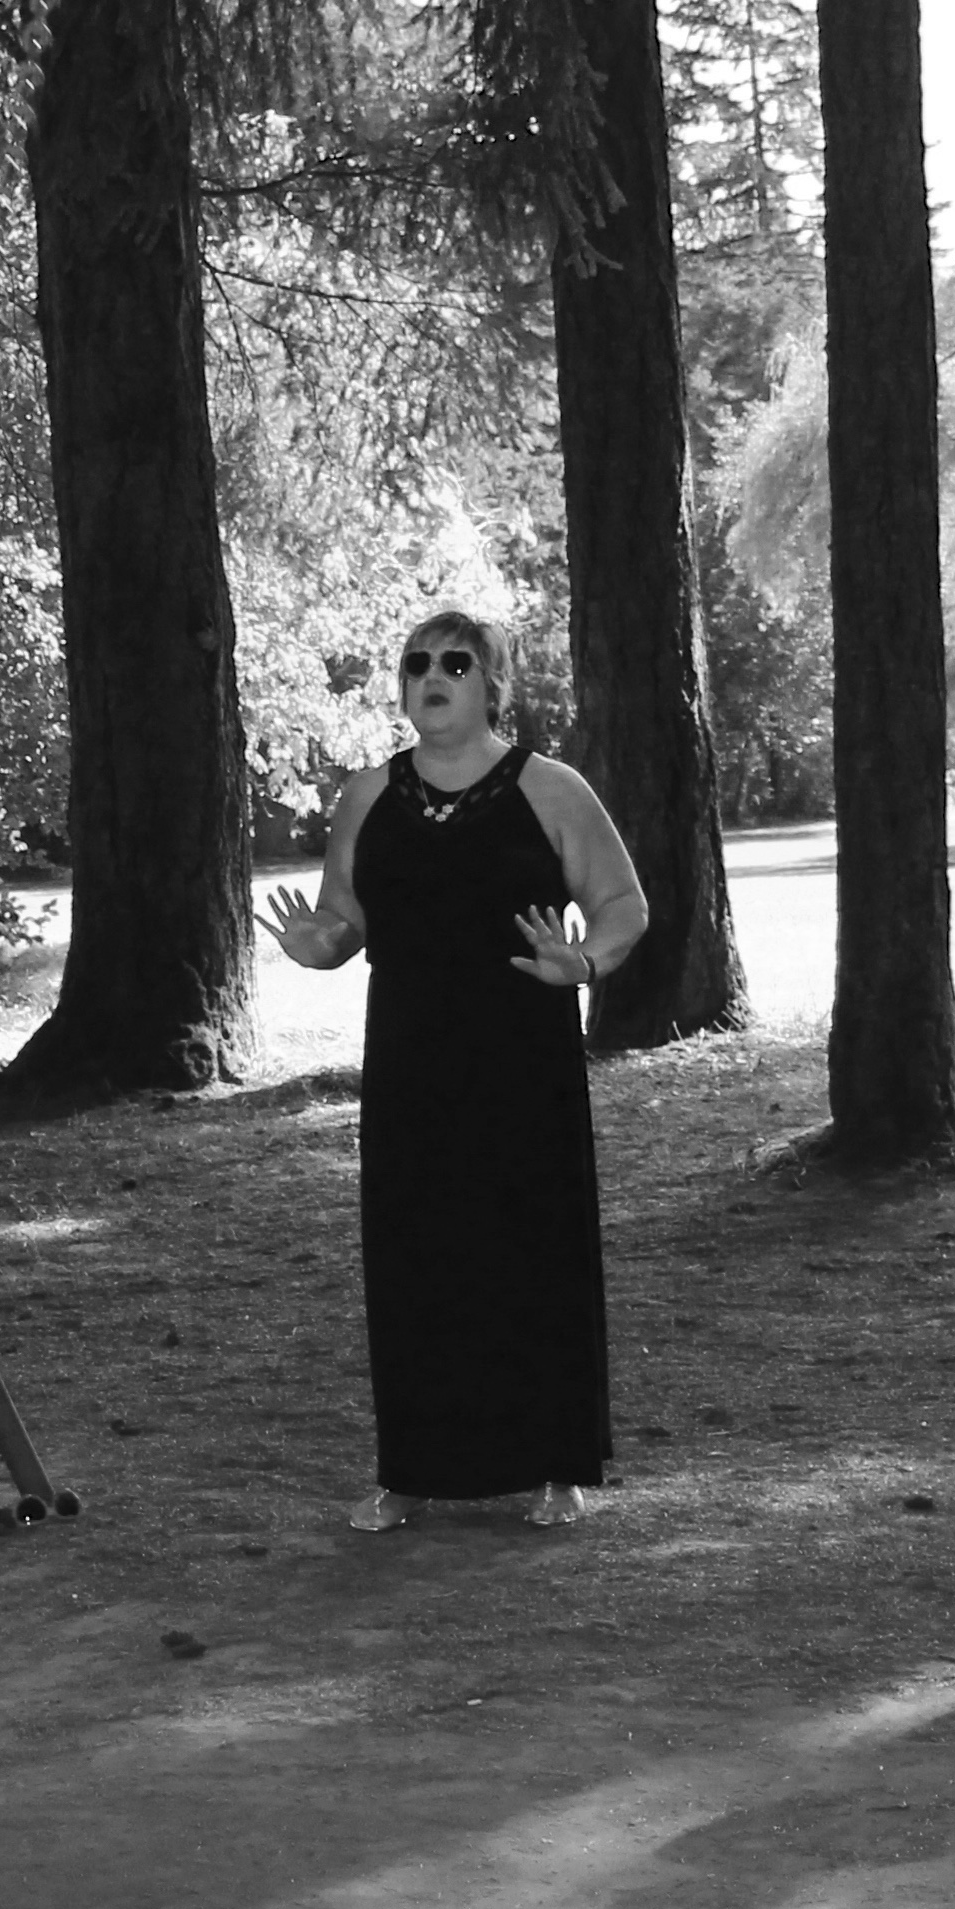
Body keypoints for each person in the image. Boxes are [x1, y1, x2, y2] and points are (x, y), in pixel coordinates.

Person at [260, 608, 647, 1533]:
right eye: (416, 663)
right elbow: (344, 919)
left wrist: (584, 963)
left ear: (492, 684)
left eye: (455, 664)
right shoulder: (368, 795)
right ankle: (411, 1470)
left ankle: (556, 1467)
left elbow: (623, 904)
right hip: (411, 1061)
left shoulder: (550, 789)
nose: (432, 677)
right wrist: (320, 945)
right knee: (415, 1257)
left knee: (533, 1251)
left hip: (523, 1060)